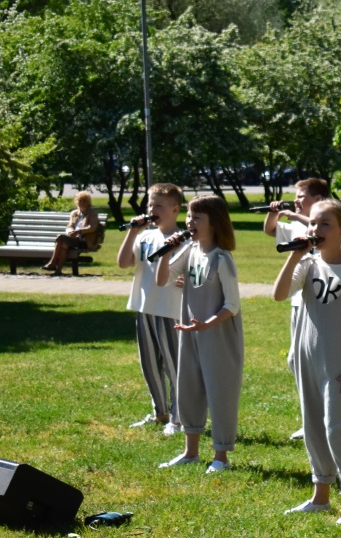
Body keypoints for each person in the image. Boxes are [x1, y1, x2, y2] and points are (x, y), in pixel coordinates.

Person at [273, 200, 341, 524]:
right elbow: (279, 294)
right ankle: (320, 497)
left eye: (325, 224)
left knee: (338, 429)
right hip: (309, 362)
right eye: (313, 224)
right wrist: (295, 256)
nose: (316, 229)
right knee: (314, 427)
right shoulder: (307, 266)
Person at [154, 196, 244, 474]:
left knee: (220, 393)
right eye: (189, 216)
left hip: (218, 336)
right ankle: (190, 452)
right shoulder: (190, 250)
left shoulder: (222, 259)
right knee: (189, 388)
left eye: (196, 217)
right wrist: (166, 253)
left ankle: (221, 457)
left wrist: (207, 324)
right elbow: (162, 280)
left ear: (214, 222)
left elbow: (232, 304)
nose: (189, 222)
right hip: (191, 333)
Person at [116, 183, 186, 435]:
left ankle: (179, 418)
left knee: (173, 366)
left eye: (159, 206)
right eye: (150, 205)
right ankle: (160, 412)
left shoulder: (183, 239)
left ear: (175, 209)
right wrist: (133, 232)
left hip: (170, 309)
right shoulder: (145, 237)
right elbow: (124, 262)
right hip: (144, 307)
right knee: (150, 364)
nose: (152, 210)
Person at [265, 178, 329, 440]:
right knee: (296, 360)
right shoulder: (295, 226)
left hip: (322, 301)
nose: (296, 201)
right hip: (298, 302)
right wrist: (274, 213)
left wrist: (296, 216)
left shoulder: (328, 224)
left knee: (321, 363)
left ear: (318, 199)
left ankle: (329, 417)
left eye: (301, 196)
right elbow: (270, 230)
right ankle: (312, 418)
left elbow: (321, 233)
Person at [43, 191, 101, 274]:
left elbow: (92, 227)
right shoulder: (74, 213)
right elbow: (69, 226)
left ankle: (52, 263)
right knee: (64, 245)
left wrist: (79, 231)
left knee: (60, 237)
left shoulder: (92, 213)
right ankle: (58, 270)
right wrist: (70, 232)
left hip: (84, 240)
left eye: (84, 201)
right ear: (77, 202)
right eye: (80, 201)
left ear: (88, 202)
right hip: (73, 239)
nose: (82, 203)